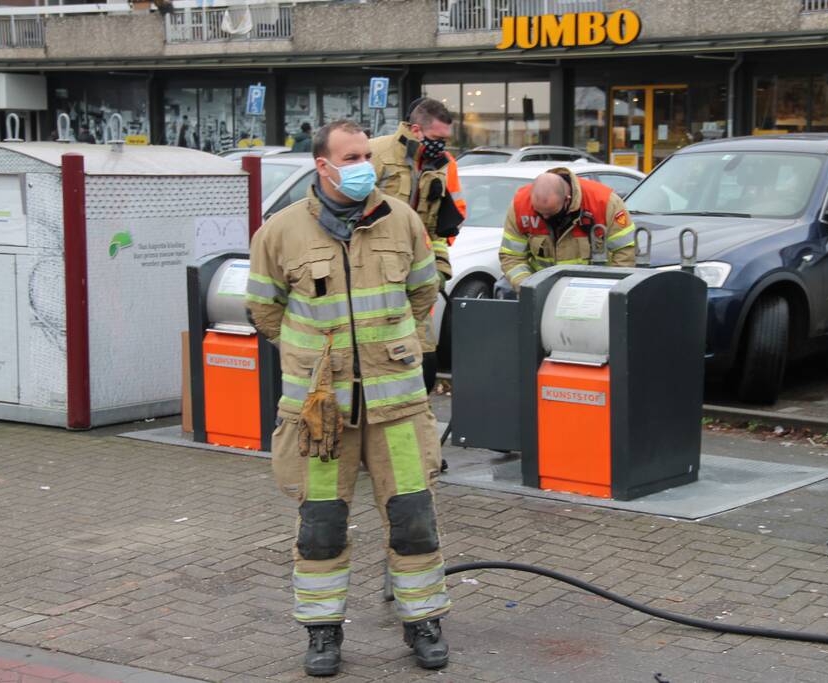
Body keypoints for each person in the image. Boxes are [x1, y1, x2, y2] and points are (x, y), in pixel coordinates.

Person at [246, 119, 450, 677]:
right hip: (321, 416)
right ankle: (322, 633)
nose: (366, 165)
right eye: (353, 156)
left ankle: (424, 622)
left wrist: (390, 351)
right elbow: (264, 311)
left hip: (399, 411)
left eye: (366, 154)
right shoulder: (280, 233)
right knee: (320, 527)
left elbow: (423, 291)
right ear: (323, 165)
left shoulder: (402, 220)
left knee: (413, 520)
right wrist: (313, 362)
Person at [369, 97, 466, 390]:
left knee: (423, 363)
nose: (443, 145)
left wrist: (439, 270)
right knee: (378, 358)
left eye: (447, 140)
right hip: (373, 275)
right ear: (416, 129)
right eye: (438, 138)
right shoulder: (376, 154)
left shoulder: (438, 166)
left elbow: (435, 230)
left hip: (414, 277)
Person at [499, 167, 637, 291]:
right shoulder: (520, 205)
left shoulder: (604, 202)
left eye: (551, 212)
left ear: (567, 199)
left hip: (593, 292)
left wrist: (608, 291)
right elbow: (512, 256)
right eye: (540, 212)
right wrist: (527, 286)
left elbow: (625, 252)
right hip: (542, 292)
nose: (545, 217)